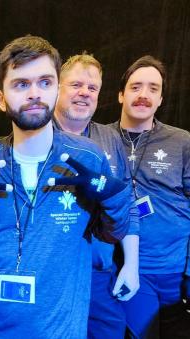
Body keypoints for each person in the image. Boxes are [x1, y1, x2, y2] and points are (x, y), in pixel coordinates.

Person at [0, 35, 133, 338]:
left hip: (61, 328)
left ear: (57, 88)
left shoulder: (87, 158)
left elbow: (112, 232)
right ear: (1, 98)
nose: (35, 93)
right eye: (21, 84)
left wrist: (111, 195)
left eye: (45, 82)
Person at [53, 53, 140, 339]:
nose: (84, 93)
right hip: (50, 275)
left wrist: (131, 265)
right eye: (75, 85)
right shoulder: (36, 135)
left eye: (92, 88)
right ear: (56, 87)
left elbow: (127, 202)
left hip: (98, 277)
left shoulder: (111, 139)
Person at [110, 55, 190, 338]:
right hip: (124, 270)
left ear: (161, 99)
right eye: (135, 87)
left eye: (153, 89)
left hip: (175, 272)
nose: (144, 95)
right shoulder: (99, 140)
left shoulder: (182, 142)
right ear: (121, 95)